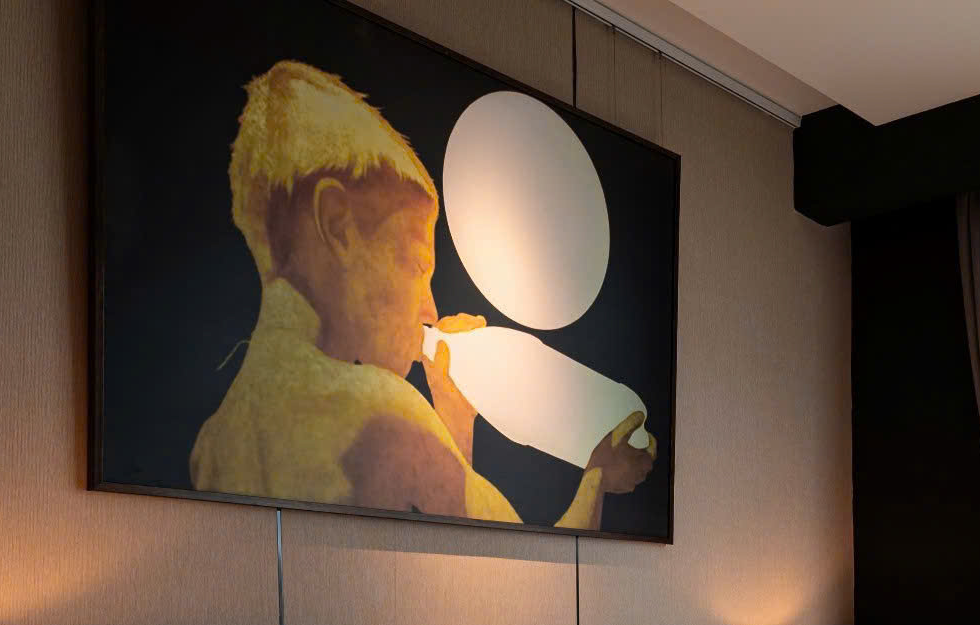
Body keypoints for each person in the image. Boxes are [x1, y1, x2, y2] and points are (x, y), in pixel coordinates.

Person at [192, 61, 654, 527]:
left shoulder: (214, 444)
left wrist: (453, 415)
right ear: (337, 224)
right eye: (416, 265)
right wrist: (599, 476)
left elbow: (449, 536)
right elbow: (507, 553)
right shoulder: (380, 406)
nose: (430, 309)